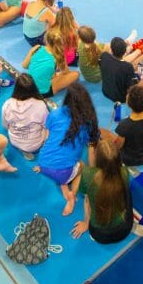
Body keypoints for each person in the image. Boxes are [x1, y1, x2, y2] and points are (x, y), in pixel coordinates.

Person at [35, 83, 101, 215]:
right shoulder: (87, 123)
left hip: (42, 162)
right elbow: (91, 149)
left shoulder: (54, 113)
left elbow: (47, 138)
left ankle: (63, 182)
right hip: (63, 170)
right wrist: (92, 170)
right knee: (81, 166)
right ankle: (72, 197)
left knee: (62, 164)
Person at [70, 138, 134, 244]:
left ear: (97, 158)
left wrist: (86, 223)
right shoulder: (124, 172)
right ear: (118, 158)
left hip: (99, 235)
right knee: (126, 191)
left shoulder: (86, 175)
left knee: (89, 196)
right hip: (124, 230)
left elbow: (87, 201)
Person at [111, 84, 143, 167]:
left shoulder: (124, 125)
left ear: (128, 103)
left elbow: (118, 146)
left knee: (106, 135)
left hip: (129, 160)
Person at [1, 73, 49, 160]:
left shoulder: (7, 104)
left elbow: (5, 126)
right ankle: (41, 148)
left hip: (14, 141)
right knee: (53, 128)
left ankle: (23, 149)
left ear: (16, 88)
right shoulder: (40, 105)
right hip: (35, 144)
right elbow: (47, 125)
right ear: (34, 88)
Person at [22, 30, 79, 98]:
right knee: (76, 74)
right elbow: (66, 72)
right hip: (43, 92)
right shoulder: (59, 56)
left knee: (52, 74)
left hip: (29, 85)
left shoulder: (36, 48)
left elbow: (24, 65)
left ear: (46, 39)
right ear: (61, 43)